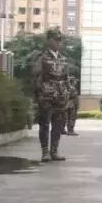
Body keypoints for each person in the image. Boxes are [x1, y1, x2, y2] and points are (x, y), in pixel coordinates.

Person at [30, 27, 71, 162]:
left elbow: (66, 78)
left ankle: (54, 151)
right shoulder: (42, 58)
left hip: (60, 96)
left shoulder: (63, 59)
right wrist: (38, 94)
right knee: (45, 124)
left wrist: (68, 93)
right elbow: (35, 76)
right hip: (46, 96)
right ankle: (45, 152)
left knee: (58, 124)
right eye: (55, 40)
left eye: (60, 40)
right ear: (49, 41)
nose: (58, 42)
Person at [64, 71, 80, 136]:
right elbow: (71, 96)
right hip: (71, 105)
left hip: (70, 105)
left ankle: (70, 130)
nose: (76, 82)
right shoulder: (72, 88)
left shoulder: (69, 88)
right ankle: (70, 130)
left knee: (69, 118)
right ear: (73, 81)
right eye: (75, 81)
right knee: (71, 118)